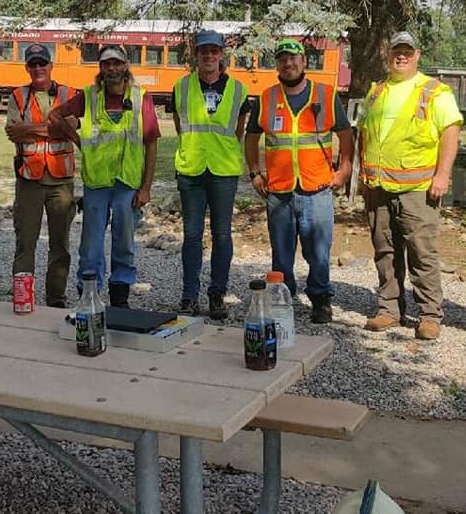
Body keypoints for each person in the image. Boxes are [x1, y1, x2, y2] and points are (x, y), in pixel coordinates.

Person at [357, 31, 463, 341]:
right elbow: (366, 134)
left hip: (417, 188)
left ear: (417, 55)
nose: (401, 56)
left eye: (407, 51)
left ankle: (429, 314)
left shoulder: (434, 91)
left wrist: (443, 175)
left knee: (421, 252)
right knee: (385, 251)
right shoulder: (376, 92)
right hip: (378, 187)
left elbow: (450, 132)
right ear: (387, 55)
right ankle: (389, 309)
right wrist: (364, 177)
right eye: (396, 51)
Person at [244, 38, 354, 323]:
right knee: (281, 254)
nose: (288, 63)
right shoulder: (266, 98)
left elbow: (345, 134)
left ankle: (320, 299)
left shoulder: (326, 95)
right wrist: (255, 172)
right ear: (277, 64)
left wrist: (344, 169)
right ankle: (283, 300)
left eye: (293, 58)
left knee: (318, 251)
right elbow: (252, 137)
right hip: (279, 190)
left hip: (316, 188)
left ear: (304, 61)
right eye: (282, 59)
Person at [48, 43, 159, 308]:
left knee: (124, 242)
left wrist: (146, 188)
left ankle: (120, 298)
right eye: (106, 64)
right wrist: (77, 139)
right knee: (91, 246)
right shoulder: (90, 96)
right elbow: (55, 115)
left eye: (117, 63)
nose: (112, 69)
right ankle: (89, 295)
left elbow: (151, 143)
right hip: (97, 183)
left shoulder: (141, 97)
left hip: (127, 184)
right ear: (101, 68)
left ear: (125, 66)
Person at [168, 29, 251, 318]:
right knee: (191, 236)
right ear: (196, 53)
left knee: (222, 235)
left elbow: (238, 130)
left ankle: (217, 294)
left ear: (221, 54)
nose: (209, 55)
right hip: (191, 170)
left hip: (223, 171)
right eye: (204, 50)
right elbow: (180, 124)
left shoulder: (239, 90)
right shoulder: (181, 87)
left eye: (214, 50)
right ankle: (189, 296)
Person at [5, 43, 77, 309]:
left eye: (42, 63)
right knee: (26, 242)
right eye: (33, 64)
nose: (38, 68)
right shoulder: (18, 96)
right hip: (29, 179)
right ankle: (23, 298)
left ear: (51, 66)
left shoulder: (69, 94)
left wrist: (30, 129)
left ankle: (56, 299)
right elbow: (13, 132)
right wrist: (54, 128)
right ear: (27, 68)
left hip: (61, 180)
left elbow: (73, 129)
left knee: (60, 244)